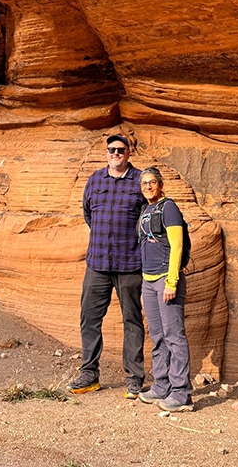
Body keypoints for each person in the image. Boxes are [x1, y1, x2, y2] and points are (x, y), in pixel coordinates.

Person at [67, 133, 145, 398]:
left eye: (121, 150)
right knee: (89, 318)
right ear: (106, 152)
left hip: (130, 263)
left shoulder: (140, 181)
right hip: (98, 262)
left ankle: (134, 379)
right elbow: (88, 213)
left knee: (132, 321)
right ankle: (89, 374)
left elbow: (148, 217)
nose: (116, 153)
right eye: (112, 149)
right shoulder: (95, 179)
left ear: (129, 153)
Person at [137, 167, 193, 412]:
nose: (148, 187)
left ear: (160, 184)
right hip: (148, 280)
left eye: (152, 182)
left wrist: (172, 281)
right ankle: (161, 386)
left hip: (165, 279)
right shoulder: (145, 210)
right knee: (157, 336)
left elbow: (177, 246)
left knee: (174, 336)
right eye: (144, 184)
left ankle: (181, 393)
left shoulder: (168, 207)